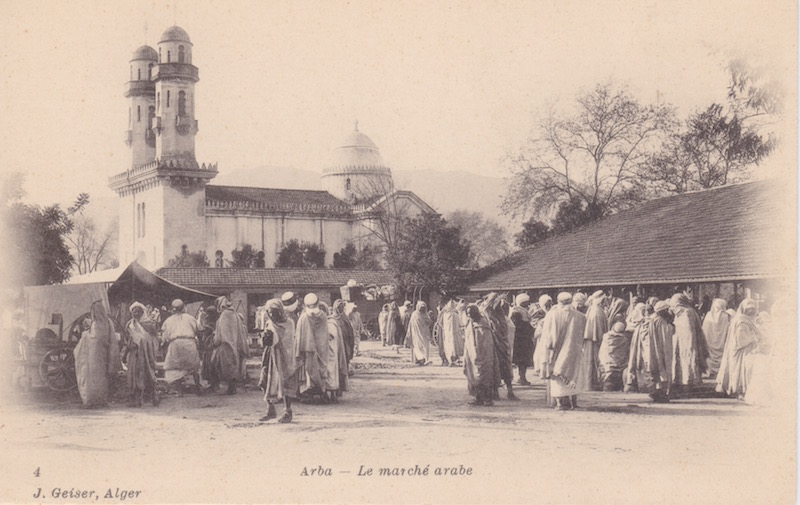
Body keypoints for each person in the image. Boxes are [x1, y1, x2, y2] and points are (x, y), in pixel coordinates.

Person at [538, 292, 587, 410]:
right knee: (574, 373)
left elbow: (548, 336)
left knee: (558, 376)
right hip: (573, 350)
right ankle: (573, 402)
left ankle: (560, 403)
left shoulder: (552, 315)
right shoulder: (580, 316)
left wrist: (547, 350)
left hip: (556, 350)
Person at [258, 298, 299, 423]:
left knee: (286, 382)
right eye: (269, 312)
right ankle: (270, 409)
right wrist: (265, 338)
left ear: (280, 311)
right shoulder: (269, 323)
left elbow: (287, 341)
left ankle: (288, 411)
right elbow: (265, 342)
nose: (271, 315)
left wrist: (274, 338)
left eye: (274, 312)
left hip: (284, 357)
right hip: (270, 356)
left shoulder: (289, 323)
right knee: (264, 381)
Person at [627, 300, 674, 401]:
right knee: (661, 371)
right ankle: (659, 394)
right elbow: (665, 338)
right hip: (658, 351)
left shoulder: (647, 320)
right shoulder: (660, 321)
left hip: (647, 351)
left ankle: (654, 392)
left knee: (653, 372)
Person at [73, 301, 118, 407]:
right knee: (102, 378)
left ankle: (91, 400)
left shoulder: (96, 324)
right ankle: (101, 400)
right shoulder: (108, 322)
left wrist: (84, 333)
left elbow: (94, 339)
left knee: (91, 377)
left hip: (93, 355)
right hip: (103, 354)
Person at [715, 299, 761, 399]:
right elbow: (741, 340)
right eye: (749, 309)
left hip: (742, 349)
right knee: (740, 371)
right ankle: (740, 391)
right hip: (741, 351)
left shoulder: (745, 319)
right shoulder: (741, 321)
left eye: (752, 309)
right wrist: (754, 338)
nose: (751, 311)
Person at [161, 299, 203, 397]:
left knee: (177, 368)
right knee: (194, 367)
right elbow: (198, 332)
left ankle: (180, 392)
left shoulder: (168, 320)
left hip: (175, 344)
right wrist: (200, 344)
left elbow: (164, 337)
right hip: (189, 343)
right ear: (184, 307)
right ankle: (198, 388)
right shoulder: (190, 318)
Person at [670, 293, 709, 393]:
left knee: (687, 360)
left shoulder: (687, 312)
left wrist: (689, 345)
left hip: (687, 343)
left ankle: (688, 383)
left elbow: (689, 331)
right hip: (680, 342)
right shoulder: (680, 313)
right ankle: (680, 382)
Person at [483, 293, 519, 401]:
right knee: (494, 367)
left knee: (506, 367)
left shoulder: (501, 314)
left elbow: (507, 327)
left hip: (503, 344)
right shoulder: (487, 314)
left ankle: (510, 391)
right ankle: (495, 392)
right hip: (493, 344)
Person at [294, 293, 329, 402]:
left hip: (308, 348)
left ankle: (309, 393)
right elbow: (325, 333)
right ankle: (321, 392)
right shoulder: (323, 315)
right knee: (321, 367)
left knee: (308, 369)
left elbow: (299, 335)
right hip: (321, 347)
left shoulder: (304, 317)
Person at [212, 296, 250, 395]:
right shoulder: (235, 315)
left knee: (225, 366)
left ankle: (230, 387)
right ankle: (232, 386)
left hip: (225, 345)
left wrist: (216, 341)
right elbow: (240, 331)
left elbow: (220, 333)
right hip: (235, 344)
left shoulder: (223, 316)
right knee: (234, 365)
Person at [124, 302, 159, 407]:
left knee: (148, 373)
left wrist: (143, 343)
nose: (136, 314)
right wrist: (128, 348)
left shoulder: (149, 324)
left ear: (143, 312)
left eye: (139, 312)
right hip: (134, 353)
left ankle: (154, 397)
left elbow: (153, 338)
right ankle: (137, 399)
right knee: (134, 374)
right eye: (134, 312)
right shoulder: (130, 324)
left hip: (146, 354)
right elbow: (127, 338)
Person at [463, 304, 497, 406]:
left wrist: (480, 354)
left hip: (484, 355)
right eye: (468, 314)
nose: (470, 315)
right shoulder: (470, 323)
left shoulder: (482, 324)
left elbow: (486, 342)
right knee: (473, 377)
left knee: (484, 377)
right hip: (471, 355)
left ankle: (488, 399)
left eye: (471, 313)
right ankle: (478, 398)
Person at [583, 290, 608, 391]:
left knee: (592, 363)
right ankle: (592, 384)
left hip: (593, 339)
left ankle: (592, 383)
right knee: (593, 362)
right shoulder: (596, 311)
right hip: (594, 340)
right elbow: (597, 328)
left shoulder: (595, 309)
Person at [328, 300, 352, 400]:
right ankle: (333, 392)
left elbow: (350, 334)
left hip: (344, 346)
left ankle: (339, 390)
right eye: (339, 307)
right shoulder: (330, 319)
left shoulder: (345, 318)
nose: (340, 309)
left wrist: (350, 346)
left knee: (342, 367)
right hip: (334, 347)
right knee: (333, 369)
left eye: (342, 307)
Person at [702, 298, 731, 379]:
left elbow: (705, 329)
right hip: (722, 343)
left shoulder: (708, 315)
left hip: (710, 342)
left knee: (710, 356)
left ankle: (710, 371)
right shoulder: (726, 316)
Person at [510, 294, 534, 385]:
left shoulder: (524, 311)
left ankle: (522, 377)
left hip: (525, 338)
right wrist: (528, 328)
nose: (528, 304)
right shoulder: (516, 312)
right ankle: (521, 377)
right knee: (521, 360)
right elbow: (516, 325)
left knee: (524, 360)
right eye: (526, 302)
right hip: (520, 339)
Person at [598, 322, 628, 391]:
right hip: (619, 368)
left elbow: (602, 351)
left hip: (607, 366)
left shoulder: (606, 337)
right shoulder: (624, 340)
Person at [196, 303, 220, 392]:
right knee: (208, 365)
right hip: (208, 345)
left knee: (212, 365)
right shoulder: (207, 319)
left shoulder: (217, 321)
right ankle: (212, 383)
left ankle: (214, 384)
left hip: (212, 345)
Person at [530, 294, 552, 378]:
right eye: (546, 303)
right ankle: (538, 369)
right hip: (540, 334)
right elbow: (533, 322)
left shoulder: (552, 311)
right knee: (539, 352)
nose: (548, 305)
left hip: (548, 334)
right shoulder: (539, 312)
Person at [406, 301, 433, 366]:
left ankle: (423, 359)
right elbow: (410, 324)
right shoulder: (415, 314)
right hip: (416, 333)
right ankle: (420, 359)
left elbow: (429, 322)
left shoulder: (424, 315)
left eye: (424, 308)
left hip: (424, 334)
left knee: (424, 346)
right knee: (417, 346)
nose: (422, 309)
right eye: (421, 307)